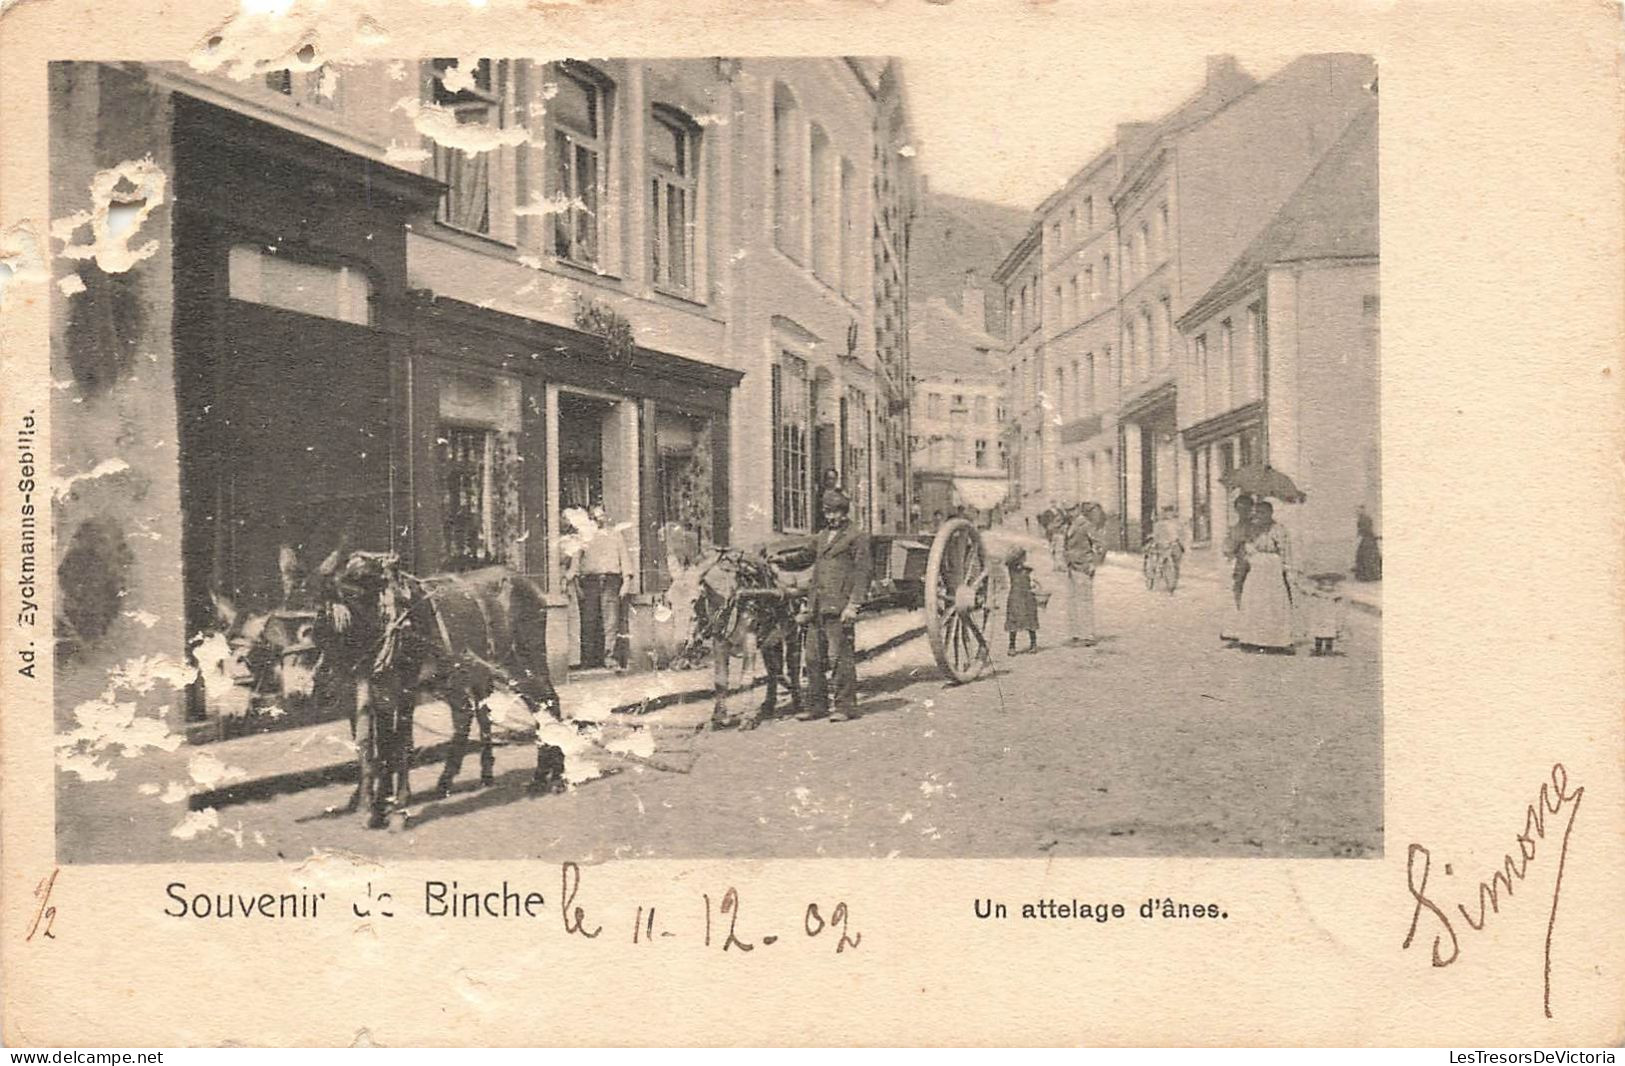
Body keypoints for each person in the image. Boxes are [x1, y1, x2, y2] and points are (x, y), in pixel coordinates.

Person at [796, 488, 871, 722]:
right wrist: (778, 561)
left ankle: (845, 706)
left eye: (835, 513)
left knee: (840, 657)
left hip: (839, 606)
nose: (831, 518)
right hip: (817, 605)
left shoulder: (856, 536)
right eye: (828, 513)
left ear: (844, 513)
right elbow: (803, 558)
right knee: (812, 657)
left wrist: (854, 605)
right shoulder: (821, 537)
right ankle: (817, 705)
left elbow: (863, 573)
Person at [577, 502, 634, 669]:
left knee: (611, 621)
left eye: (601, 516)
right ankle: (588, 659)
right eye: (595, 516)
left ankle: (609, 657)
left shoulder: (616, 535)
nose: (599, 519)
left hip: (611, 581)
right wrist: (576, 583)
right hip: (589, 582)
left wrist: (626, 582)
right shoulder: (584, 536)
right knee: (589, 620)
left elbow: (624, 558)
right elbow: (575, 559)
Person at [1237, 500, 1295, 652]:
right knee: (1254, 602)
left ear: (1270, 513)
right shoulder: (1252, 530)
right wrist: (1249, 553)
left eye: (1263, 512)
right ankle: (1253, 639)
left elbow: (1285, 551)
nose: (1259, 516)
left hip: (1272, 570)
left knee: (1272, 603)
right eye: (1257, 512)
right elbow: (1247, 547)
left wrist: (1287, 569)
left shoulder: (1279, 529)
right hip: (1256, 570)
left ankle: (1275, 640)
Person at [1060, 502, 1108, 646]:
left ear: (1077, 509)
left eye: (1072, 510)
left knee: (1084, 601)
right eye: (1067, 510)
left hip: (1083, 566)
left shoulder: (1085, 525)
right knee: (1073, 600)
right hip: (1071, 566)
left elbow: (1101, 544)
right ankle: (1075, 634)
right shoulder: (1070, 525)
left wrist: (1094, 563)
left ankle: (1088, 635)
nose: (1069, 513)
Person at [1219, 494, 1256, 642]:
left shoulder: (1256, 526)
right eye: (1240, 508)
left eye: (1247, 508)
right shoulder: (1234, 528)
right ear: (1236, 510)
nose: (1244, 511)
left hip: (1257, 564)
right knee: (1239, 591)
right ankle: (1241, 624)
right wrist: (1234, 545)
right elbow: (1227, 548)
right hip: (1241, 564)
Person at [1004, 547, 1040, 654]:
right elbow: (1007, 560)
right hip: (1016, 595)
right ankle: (1012, 646)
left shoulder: (1028, 569)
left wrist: (1035, 585)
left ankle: (1033, 644)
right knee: (1013, 620)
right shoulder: (1011, 568)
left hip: (1027, 595)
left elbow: (1035, 580)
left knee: (1030, 620)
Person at [1304, 572, 1348, 656]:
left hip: (1330, 616)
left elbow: (1340, 604)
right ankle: (1318, 649)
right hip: (1319, 615)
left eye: (1330, 585)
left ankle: (1328, 649)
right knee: (1318, 632)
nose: (1327, 587)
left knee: (1330, 632)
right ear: (1319, 585)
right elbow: (1309, 598)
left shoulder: (1335, 595)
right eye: (1323, 584)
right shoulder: (1316, 594)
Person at [1354, 505, 1382, 582]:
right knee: (1364, 556)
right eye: (1357, 511)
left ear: (1363, 510)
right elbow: (1360, 531)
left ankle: (1369, 576)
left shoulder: (1365, 518)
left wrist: (1374, 536)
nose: (1357, 512)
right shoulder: (1361, 519)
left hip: (1368, 539)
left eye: (1359, 510)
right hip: (1367, 539)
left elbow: (1368, 530)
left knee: (1367, 556)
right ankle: (1368, 575)